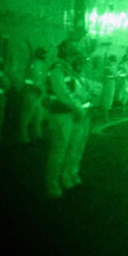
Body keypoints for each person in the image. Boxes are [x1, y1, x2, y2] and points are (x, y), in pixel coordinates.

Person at [43, 41, 92, 199]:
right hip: (60, 115)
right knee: (59, 150)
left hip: (69, 114)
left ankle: (66, 178)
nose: (76, 55)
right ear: (67, 52)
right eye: (74, 52)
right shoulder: (58, 69)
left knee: (70, 149)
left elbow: (75, 91)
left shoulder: (66, 69)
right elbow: (63, 94)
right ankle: (53, 185)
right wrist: (79, 108)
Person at [19, 46, 48, 144]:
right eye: (43, 53)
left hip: (37, 94)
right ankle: (23, 137)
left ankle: (38, 135)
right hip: (31, 93)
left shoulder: (40, 64)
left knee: (38, 116)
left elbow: (39, 80)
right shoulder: (34, 64)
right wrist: (35, 88)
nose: (45, 56)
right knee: (27, 116)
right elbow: (29, 79)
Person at [100, 55, 118, 121]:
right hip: (108, 82)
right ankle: (106, 115)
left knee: (110, 96)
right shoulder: (107, 66)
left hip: (112, 82)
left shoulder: (113, 66)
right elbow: (106, 75)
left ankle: (107, 114)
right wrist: (113, 76)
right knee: (107, 97)